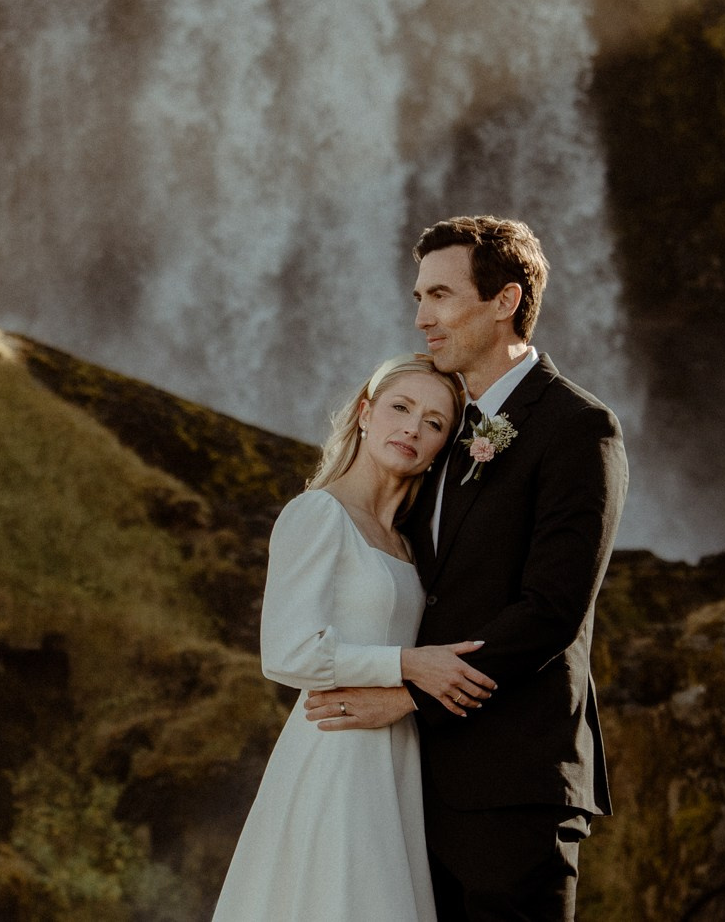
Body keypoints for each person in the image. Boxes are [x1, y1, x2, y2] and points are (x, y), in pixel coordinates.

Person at [305, 216, 629, 922]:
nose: (421, 318)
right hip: (411, 786)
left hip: (515, 782)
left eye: (441, 295)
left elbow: (552, 609)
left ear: (505, 300)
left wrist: (410, 696)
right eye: (419, 297)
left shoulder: (579, 427)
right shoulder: (438, 431)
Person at [212, 354, 499, 922]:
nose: (413, 428)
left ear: (444, 447)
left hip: (396, 752)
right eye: (401, 407)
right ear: (366, 414)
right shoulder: (318, 511)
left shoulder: (408, 543)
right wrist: (409, 665)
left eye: (435, 423)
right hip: (335, 746)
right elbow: (288, 653)